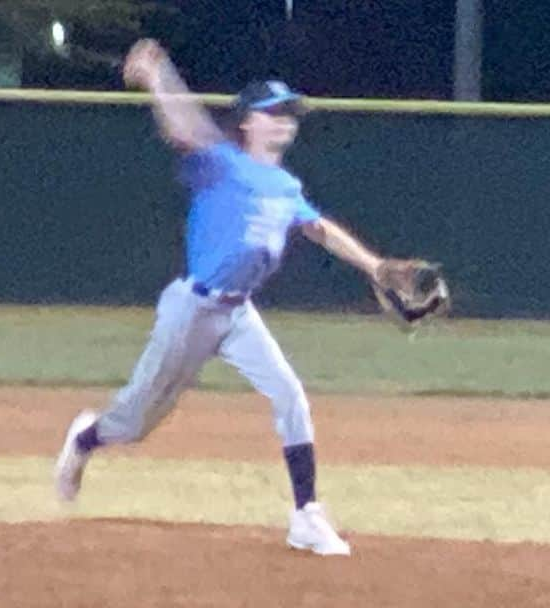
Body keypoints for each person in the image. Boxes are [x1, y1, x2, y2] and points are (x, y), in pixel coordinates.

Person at [54, 39, 393, 557]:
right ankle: (85, 439)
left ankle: (306, 514)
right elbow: (184, 128)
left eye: (291, 114)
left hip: (238, 312)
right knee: (137, 421)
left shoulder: (285, 185)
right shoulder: (222, 163)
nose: (285, 121)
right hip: (192, 308)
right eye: (274, 113)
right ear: (247, 122)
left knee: (290, 395)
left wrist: (375, 265)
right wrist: (158, 75)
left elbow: (319, 229)